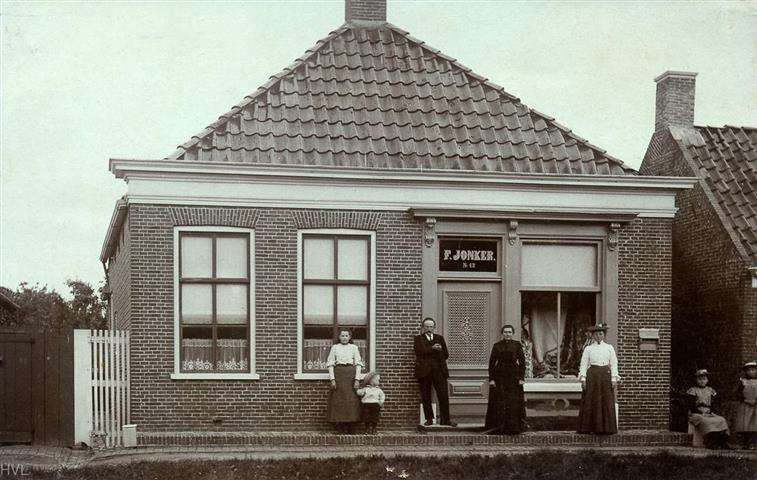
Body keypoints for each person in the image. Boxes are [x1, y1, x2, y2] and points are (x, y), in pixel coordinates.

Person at [577, 323, 619, 434]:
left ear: (604, 335)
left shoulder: (609, 348)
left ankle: (607, 428)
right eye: (596, 334)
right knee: (592, 400)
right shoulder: (588, 349)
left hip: (605, 376)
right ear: (593, 336)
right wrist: (583, 379)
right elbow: (583, 364)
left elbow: (614, 363)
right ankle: (590, 428)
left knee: (606, 400)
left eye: (600, 334)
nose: (598, 336)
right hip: (592, 376)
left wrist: (614, 378)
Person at [414, 317, 456, 426]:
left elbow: (446, 355)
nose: (429, 329)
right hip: (424, 372)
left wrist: (440, 350)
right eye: (427, 326)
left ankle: (445, 420)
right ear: (423, 328)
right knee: (426, 396)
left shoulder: (439, 338)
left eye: (431, 327)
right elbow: (419, 352)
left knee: (443, 395)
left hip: (439, 371)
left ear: (434, 327)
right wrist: (432, 348)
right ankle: (429, 419)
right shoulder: (418, 339)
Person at [484, 324, 526, 434]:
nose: (507, 334)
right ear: (502, 334)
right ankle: (499, 427)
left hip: (514, 377)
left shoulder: (517, 345)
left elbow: (522, 363)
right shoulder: (497, 346)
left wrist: (521, 378)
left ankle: (513, 427)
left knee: (512, 402)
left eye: (509, 332)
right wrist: (491, 379)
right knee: (500, 401)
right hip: (500, 377)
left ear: (513, 333)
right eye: (505, 332)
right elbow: (491, 364)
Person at [326, 328, 363, 434]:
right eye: (342, 336)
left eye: (346, 336)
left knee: (351, 400)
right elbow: (330, 364)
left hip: (350, 375)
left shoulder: (354, 348)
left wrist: (357, 379)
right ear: (339, 337)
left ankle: (351, 425)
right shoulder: (335, 348)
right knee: (339, 400)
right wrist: (332, 379)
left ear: (350, 337)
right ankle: (341, 426)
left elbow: (358, 364)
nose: (344, 338)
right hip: (339, 375)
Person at [686, 369, 731, 449]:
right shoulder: (693, 390)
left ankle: (722, 442)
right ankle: (711, 442)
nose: (702, 381)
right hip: (696, 413)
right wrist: (701, 412)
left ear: (707, 380)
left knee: (721, 420)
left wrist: (712, 411)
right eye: (700, 379)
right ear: (696, 380)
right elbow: (691, 405)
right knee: (706, 421)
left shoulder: (710, 390)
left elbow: (714, 403)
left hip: (708, 412)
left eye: (704, 379)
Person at [735, 361, 757, 450]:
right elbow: (737, 393)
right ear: (745, 371)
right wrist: (744, 399)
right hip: (745, 405)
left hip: (755, 406)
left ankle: (752, 443)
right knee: (744, 424)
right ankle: (744, 442)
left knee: (754, 424)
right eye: (749, 370)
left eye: (753, 370)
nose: (751, 372)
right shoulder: (742, 381)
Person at [357, 370, 385, 435]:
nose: (379, 381)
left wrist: (381, 402)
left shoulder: (378, 390)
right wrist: (358, 389)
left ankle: (374, 429)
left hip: (375, 405)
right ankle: (366, 429)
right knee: (366, 417)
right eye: (377, 380)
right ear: (371, 381)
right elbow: (359, 393)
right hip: (366, 404)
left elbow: (382, 396)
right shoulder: (366, 389)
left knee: (375, 417)